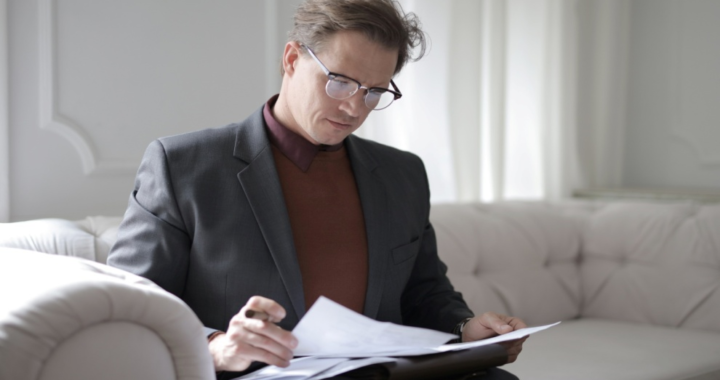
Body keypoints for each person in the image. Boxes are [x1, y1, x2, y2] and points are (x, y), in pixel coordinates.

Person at [108, 0, 527, 378]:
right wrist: (216, 346)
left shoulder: (403, 174)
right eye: (340, 82)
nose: (354, 108)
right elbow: (129, 311)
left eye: (374, 92)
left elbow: (424, 290)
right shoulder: (183, 166)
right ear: (292, 59)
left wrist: (466, 329)